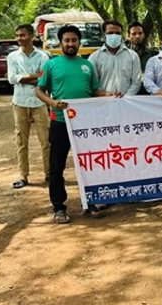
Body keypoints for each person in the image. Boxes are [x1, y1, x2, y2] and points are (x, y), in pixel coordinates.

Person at [34, 25, 110, 224]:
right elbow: (39, 90)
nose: (70, 44)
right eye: (66, 40)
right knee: (56, 166)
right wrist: (52, 103)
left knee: (88, 163)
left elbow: (95, 90)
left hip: (84, 125)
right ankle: (59, 207)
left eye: (74, 40)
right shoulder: (51, 65)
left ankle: (90, 202)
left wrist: (110, 94)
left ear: (79, 42)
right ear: (61, 43)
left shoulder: (87, 65)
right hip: (60, 122)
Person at [6, 24, 51, 190]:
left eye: (23, 35)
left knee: (45, 141)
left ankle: (49, 173)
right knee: (21, 142)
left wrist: (24, 78)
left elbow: (44, 79)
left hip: (39, 102)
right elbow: (12, 78)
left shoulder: (43, 56)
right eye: (17, 35)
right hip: (20, 102)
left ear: (31, 36)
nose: (19, 38)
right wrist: (34, 77)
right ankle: (23, 176)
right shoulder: (12, 57)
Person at [88, 19, 142, 97]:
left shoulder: (133, 56)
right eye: (110, 33)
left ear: (121, 35)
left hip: (127, 102)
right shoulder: (94, 57)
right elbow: (93, 85)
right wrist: (106, 95)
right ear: (104, 35)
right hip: (104, 103)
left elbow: (136, 82)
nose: (114, 35)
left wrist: (125, 97)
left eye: (117, 33)